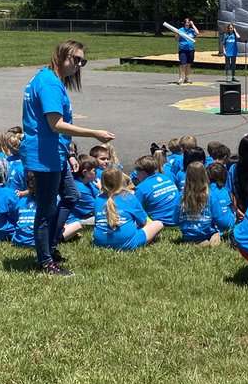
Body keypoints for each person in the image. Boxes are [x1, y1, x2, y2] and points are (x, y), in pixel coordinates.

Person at [21, 40, 114, 276]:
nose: (79, 65)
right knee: (46, 210)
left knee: (72, 194)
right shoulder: (49, 84)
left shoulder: (48, 80)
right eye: (76, 59)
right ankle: (45, 261)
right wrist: (95, 133)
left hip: (55, 152)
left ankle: (51, 245)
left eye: (83, 61)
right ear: (61, 55)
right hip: (44, 155)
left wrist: (69, 153)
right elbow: (56, 125)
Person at [93, 166, 164, 251]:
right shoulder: (129, 197)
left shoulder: (98, 199)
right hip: (127, 242)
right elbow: (143, 222)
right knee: (158, 224)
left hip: (100, 242)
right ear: (121, 180)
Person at [175, 17, 200, 85]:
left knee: (189, 64)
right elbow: (176, 40)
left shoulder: (191, 30)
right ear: (184, 23)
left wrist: (193, 25)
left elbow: (197, 33)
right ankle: (181, 78)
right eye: (186, 22)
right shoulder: (180, 30)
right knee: (182, 64)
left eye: (188, 22)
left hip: (190, 49)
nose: (187, 24)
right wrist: (177, 34)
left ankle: (187, 78)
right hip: (183, 49)